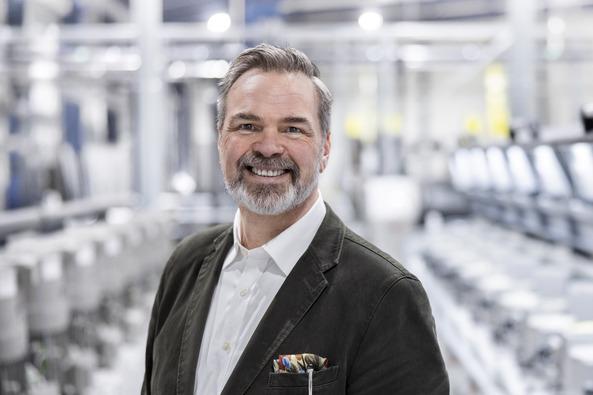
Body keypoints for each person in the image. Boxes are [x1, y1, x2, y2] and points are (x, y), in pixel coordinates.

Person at [142, 43, 449, 395]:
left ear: (325, 149)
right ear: (220, 140)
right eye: (246, 125)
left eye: (293, 129)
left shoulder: (386, 296)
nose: (268, 147)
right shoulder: (185, 266)